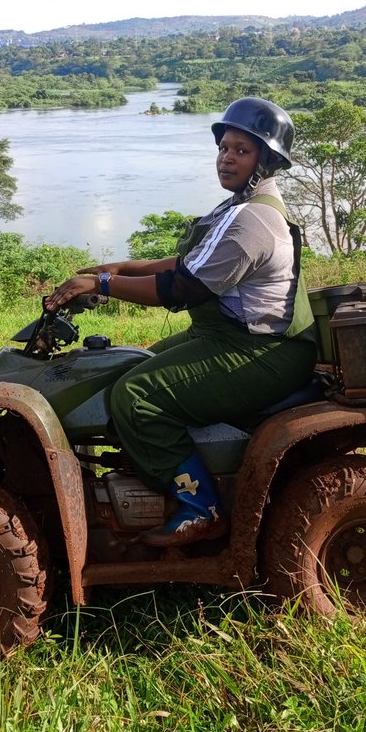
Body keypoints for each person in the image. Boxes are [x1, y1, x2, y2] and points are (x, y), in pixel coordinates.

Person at [45, 97, 317, 547]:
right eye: (224, 147)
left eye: (241, 150)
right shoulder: (236, 208)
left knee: (136, 395)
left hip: (260, 352)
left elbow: (181, 288)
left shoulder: (254, 220)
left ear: (264, 161)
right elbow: (185, 262)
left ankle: (201, 508)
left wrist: (103, 286)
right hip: (231, 338)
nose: (227, 157)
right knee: (124, 365)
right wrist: (116, 268)